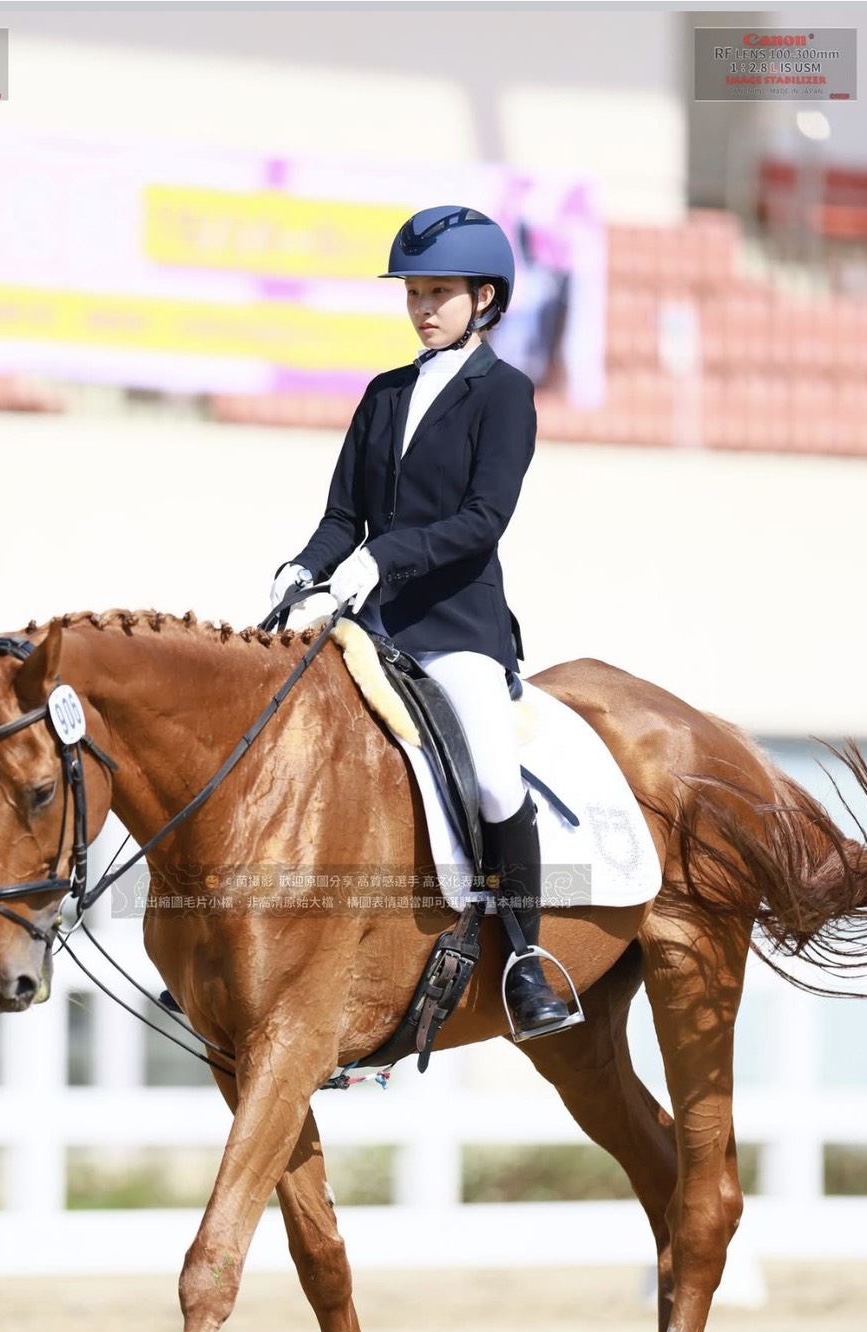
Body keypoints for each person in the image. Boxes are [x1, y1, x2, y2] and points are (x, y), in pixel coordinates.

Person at [269, 205, 575, 1040]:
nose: (422, 307)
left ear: (484, 298)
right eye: (413, 292)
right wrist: (306, 565)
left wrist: (384, 558)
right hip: (369, 622)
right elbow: (343, 516)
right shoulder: (383, 393)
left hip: (455, 624)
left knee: (492, 777)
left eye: (438, 292)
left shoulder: (504, 395)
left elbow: (482, 520)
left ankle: (523, 956)